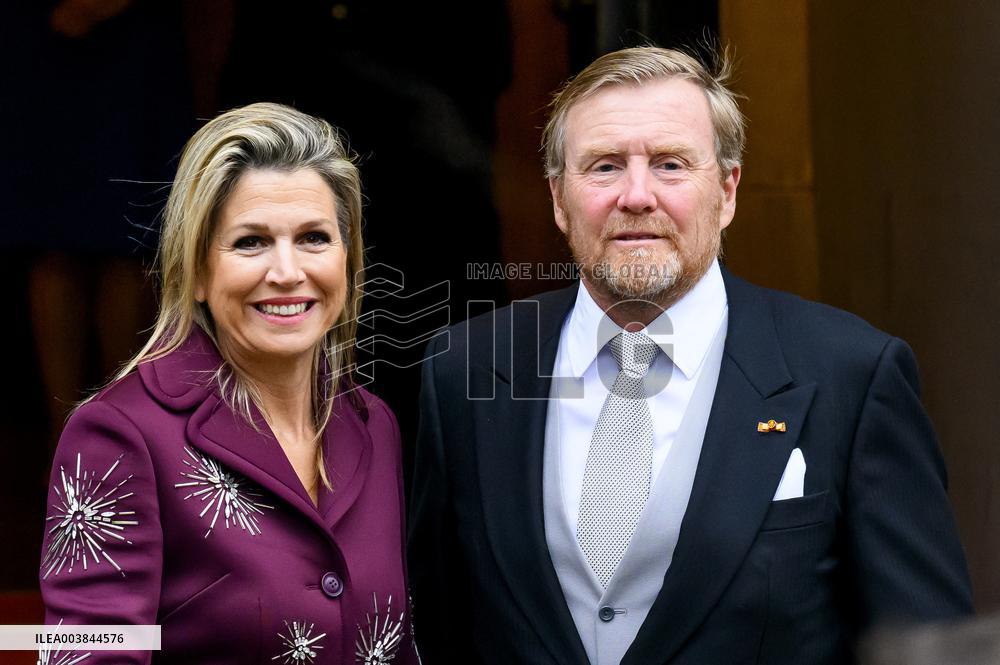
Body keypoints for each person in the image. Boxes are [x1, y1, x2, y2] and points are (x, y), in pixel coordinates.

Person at [408, 47, 973, 665]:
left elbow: (928, 647)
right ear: (558, 199)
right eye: (604, 167)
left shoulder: (852, 374)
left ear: (727, 191)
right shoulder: (465, 370)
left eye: (671, 164)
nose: (636, 196)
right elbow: (436, 632)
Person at [40, 103, 419, 665]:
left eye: (314, 238)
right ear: (196, 271)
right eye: (250, 242)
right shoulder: (118, 434)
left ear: (347, 260)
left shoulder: (372, 423)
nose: (288, 272)